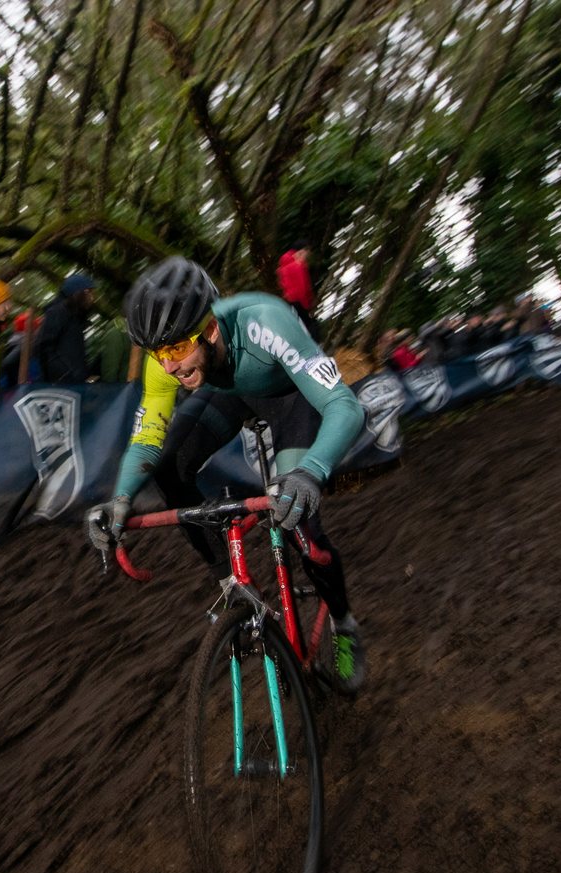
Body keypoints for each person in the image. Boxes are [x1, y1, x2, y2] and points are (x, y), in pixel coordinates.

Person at [86, 256, 368, 693]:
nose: (169, 367)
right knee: (169, 469)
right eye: (158, 354)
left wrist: (311, 472)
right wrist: (120, 500)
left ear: (211, 330)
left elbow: (344, 406)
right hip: (230, 394)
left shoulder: (266, 321)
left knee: (297, 521)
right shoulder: (167, 362)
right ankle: (229, 580)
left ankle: (344, 624)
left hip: (289, 396)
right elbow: (147, 439)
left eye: (177, 349)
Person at [37, 273, 95, 383]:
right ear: (77, 293)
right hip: (62, 384)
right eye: (88, 292)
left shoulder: (76, 315)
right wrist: (66, 374)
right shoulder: (56, 313)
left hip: (76, 381)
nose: (92, 297)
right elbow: (45, 349)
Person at [276, 241, 318, 337]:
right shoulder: (298, 266)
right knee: (310, 327)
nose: (307, 256)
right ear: (301, 252)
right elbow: (303, 288)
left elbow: (283, 284)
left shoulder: (283, 265)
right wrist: (308, 305)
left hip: (289, 301)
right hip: (300, 303)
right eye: (306, 253)